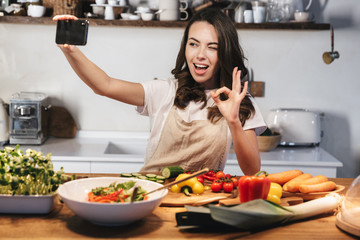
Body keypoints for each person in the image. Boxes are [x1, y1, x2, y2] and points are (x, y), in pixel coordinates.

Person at [53, 8, 266, 175]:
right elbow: (104, 85)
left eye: (212, 47)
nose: (200, 54)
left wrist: (233, 121)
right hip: (153, 195)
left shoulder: (240, 103)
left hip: (202, 199)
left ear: (225, 53)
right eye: (194, 44)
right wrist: (70, 50)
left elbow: (252, 170)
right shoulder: (165, 91)